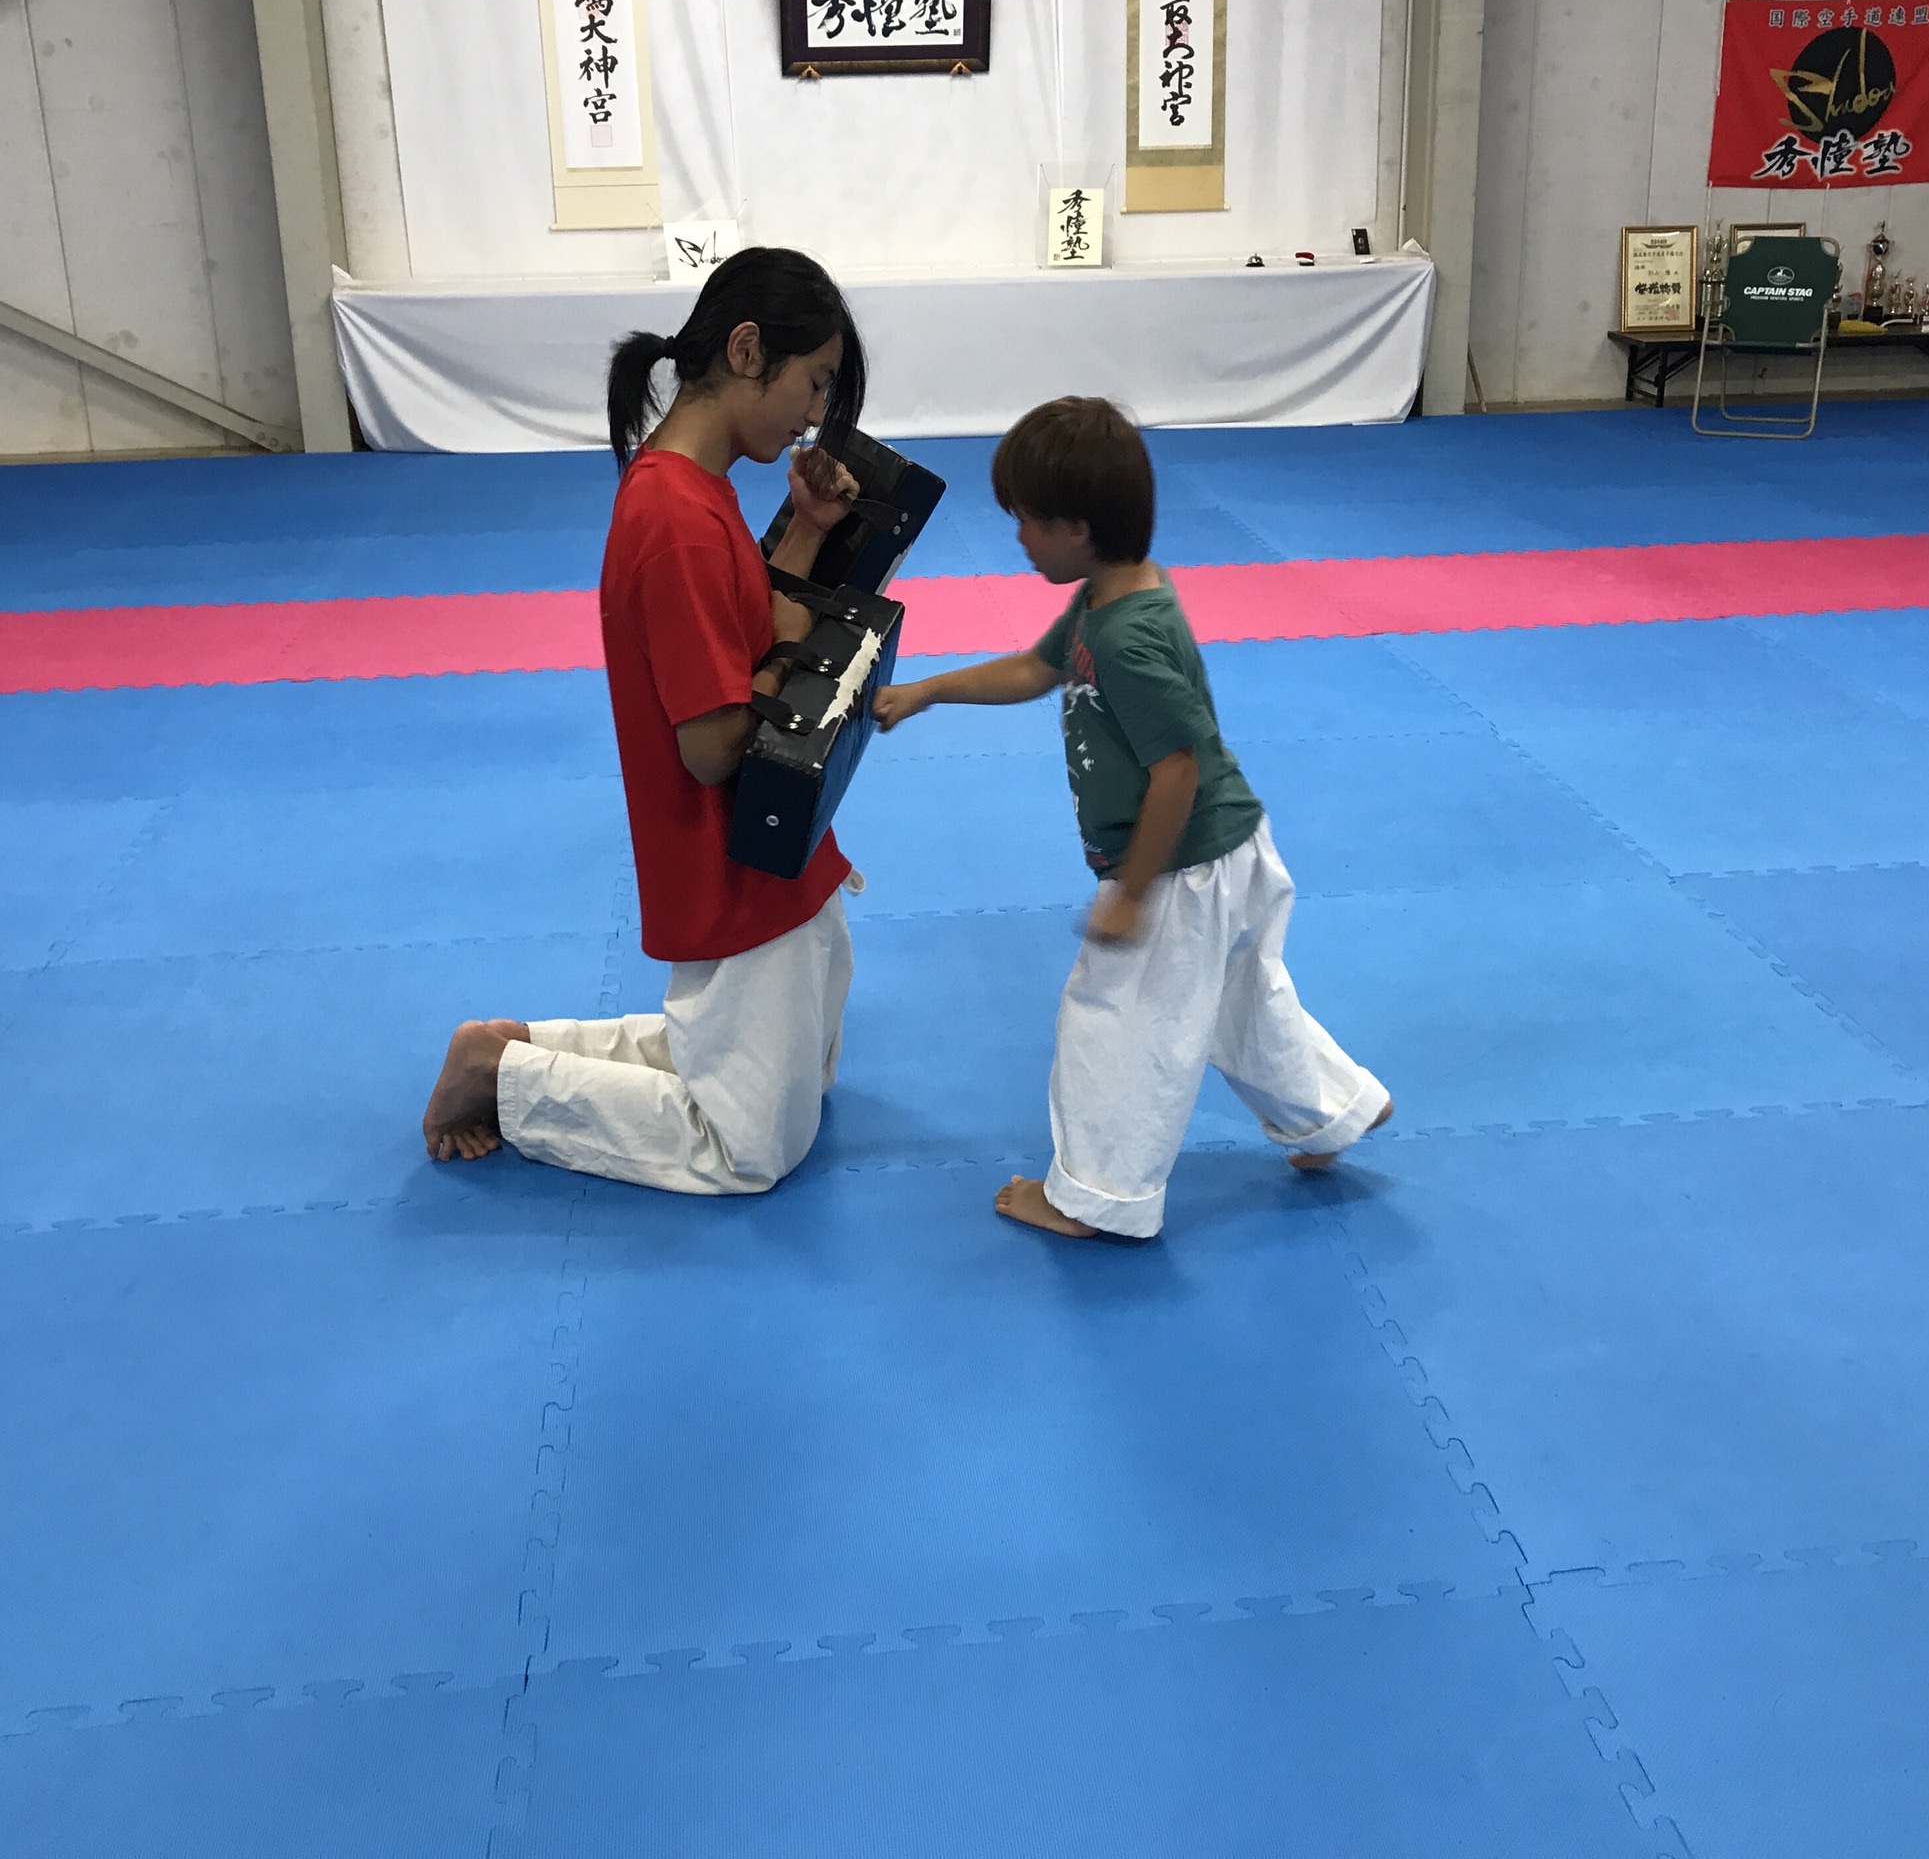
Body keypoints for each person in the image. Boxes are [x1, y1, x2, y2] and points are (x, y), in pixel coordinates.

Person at [872, 397, 1391, 1240]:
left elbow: (1176, 773)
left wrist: (1134, 893)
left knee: (1113, 1024)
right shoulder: (1111, 596)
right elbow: (1034, 670)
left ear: (1078, 529)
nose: (1018, 538)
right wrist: (928, 691)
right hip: (1228, 848)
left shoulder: (1124, 638)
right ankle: (1331, 1113)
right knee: (1241, 1001)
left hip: (1180, 866)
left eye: (1028, 521)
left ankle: (1097, 1197)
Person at [421, 247, 868, 1194]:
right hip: (731, 853)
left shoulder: (698, 492)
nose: (816, 413)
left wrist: (806, 532)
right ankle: (503, 1079)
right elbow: (710, 749)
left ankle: (514, 1047)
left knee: (802, 1075)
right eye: (815, 381)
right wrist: (789, 654)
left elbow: (746, 629)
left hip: (782, 848)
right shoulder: (673, 517)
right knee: (747, 1149)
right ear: (747, 350)